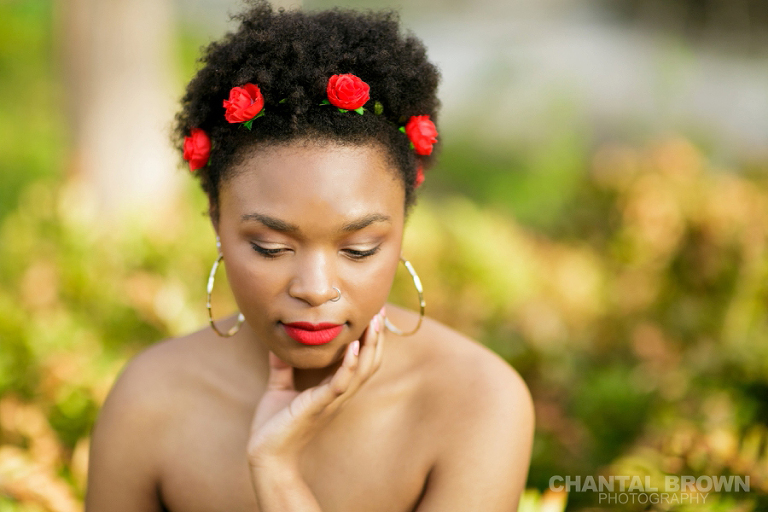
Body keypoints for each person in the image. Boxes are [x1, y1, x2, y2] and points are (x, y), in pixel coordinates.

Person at [84, 1, 534, 510]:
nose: (316, 288)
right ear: (216, 220)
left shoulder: (475, 400)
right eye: (270, 247)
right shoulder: (150, 401)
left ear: (403, 227)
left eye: (359, 249)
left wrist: (278, 476)